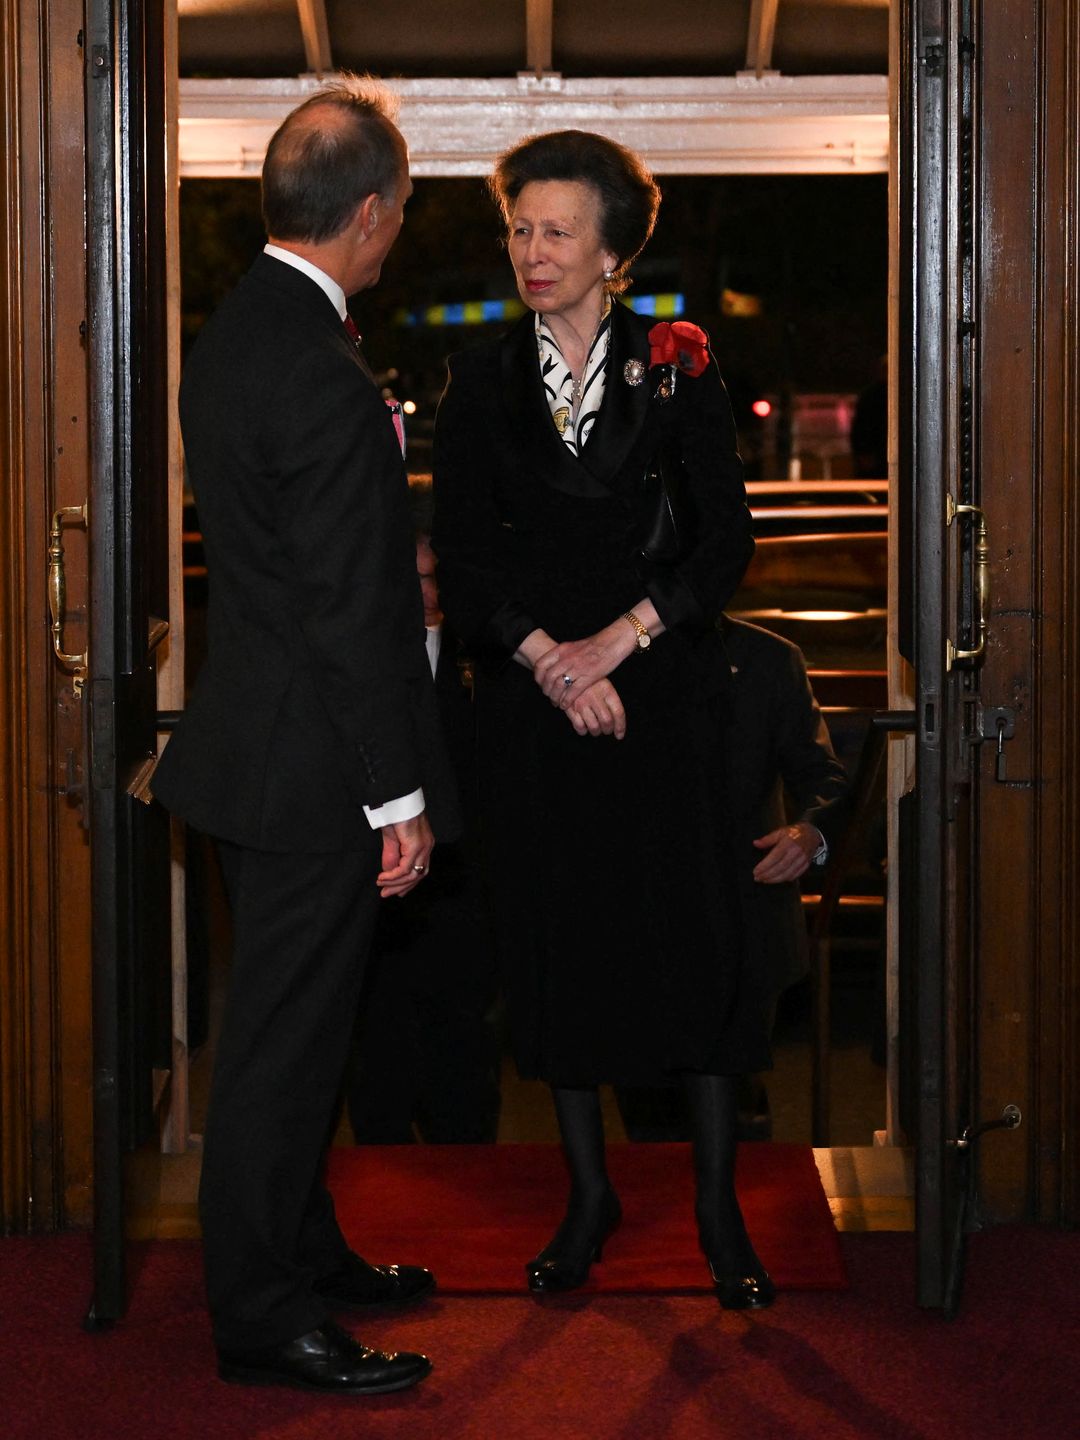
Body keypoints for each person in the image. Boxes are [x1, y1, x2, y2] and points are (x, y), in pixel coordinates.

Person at [151, 77, 459, 1396]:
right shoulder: (325, 376)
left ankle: (299, 1241)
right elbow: (349, 616)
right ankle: (263, 1315)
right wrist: (397, 798)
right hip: (313, 774)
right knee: (281, 1052)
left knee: (298, 1033)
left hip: (251, 753)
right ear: (375, 214)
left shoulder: (233, 336)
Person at [432, 130, 767, 1308]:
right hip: (538, 708)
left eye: (558, 230)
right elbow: (464, 564)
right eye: (520, 227)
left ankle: (721, 1209)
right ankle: (589, 1198)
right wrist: (553, 666)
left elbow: (727, 541)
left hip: (664, 695)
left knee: (698, 949)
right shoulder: (478, 378)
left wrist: (619, 641)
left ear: (615, 253)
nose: (532, 250)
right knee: (558, 953)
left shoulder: (679, 364)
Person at [616, 615, 850, 1142]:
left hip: (743, 907)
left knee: (732, 1104)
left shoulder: (769, 657)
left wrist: (808, 834)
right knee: (648, 1114)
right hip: (636, 910)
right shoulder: (604, 653)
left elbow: (824, 778)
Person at [346, 498, 501, 1145]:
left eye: (432, 578)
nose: (424, 592)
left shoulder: (484, 662)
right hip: (383, 884)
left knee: (461, 1046)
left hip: (463, 883)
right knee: (377, 1040)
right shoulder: (367, 663)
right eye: (411, 580)